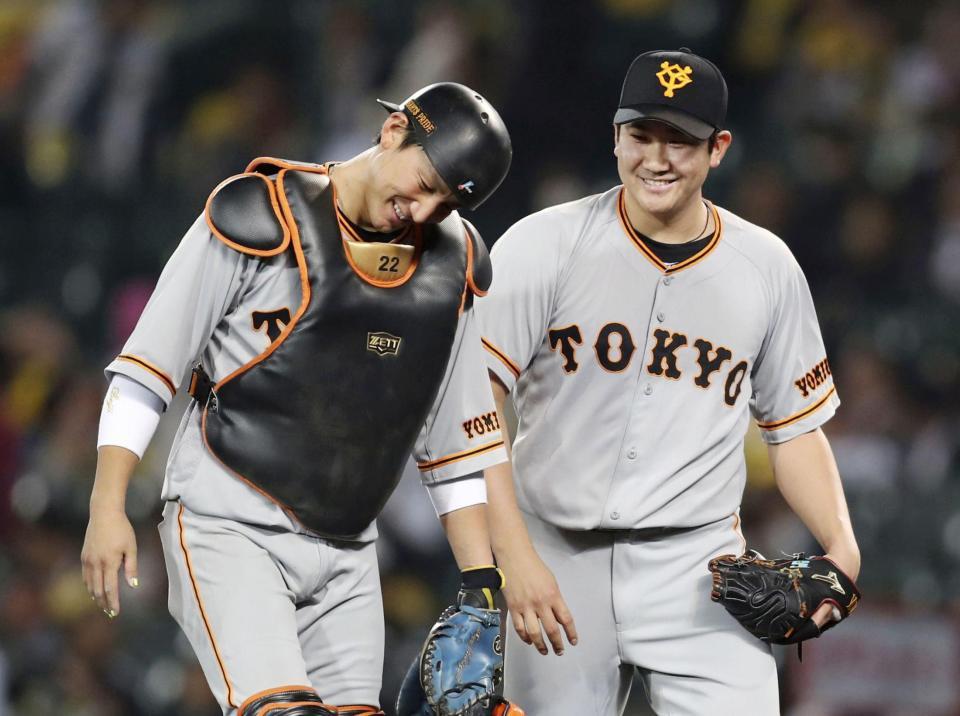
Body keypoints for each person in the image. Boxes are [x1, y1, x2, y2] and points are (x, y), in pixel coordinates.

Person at [81, 82, 515, 716]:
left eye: (447, 202)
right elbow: (148, 369)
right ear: (394, 130)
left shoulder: (454, 266)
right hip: (230, 523)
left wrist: (480, 584)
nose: (424, 211)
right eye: (426, 182)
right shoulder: (262, 215)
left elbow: (454, 449)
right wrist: (107, 502)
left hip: (350, 554)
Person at [474, 49, 861, 714]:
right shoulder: (543, 245)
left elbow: (795, 429)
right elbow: (471, 407)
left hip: (697, 570)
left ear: (718, 150)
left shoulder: (766, 267)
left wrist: (842, 549)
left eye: (679, 140)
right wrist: (510, 556)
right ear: (615, 137)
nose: (656, 158)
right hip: (555, 557)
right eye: (641, 135)